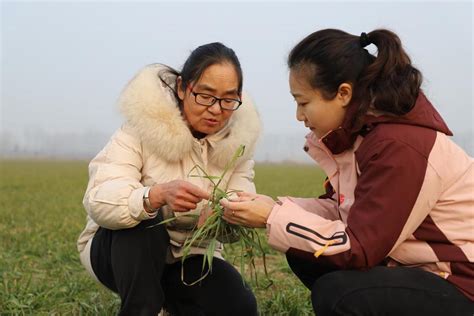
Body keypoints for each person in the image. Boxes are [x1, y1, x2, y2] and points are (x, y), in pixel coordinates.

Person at [221, 29, 474, 315]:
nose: (299, 115)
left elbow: (360, 247)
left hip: (461, 281)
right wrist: (272, 207)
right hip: (415, 267)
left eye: (303, 102)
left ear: (343, 93)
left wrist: (271, 216)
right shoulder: (360, 136)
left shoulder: (399, 146)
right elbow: (343, 210)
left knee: (339, 293)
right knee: (304, 251)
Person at [77, 42, 261, 316]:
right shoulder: (139, 130)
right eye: (205, 95)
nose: (216, 109)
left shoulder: (237, 147)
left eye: (227, 100)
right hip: (120, 253)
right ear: (182, 88)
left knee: (239, 306)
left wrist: (226, 215)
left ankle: (169, 302)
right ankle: (142, 309)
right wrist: (154, 196)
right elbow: (99, 198)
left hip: (191, 256)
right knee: (144, 224)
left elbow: (239, 215)